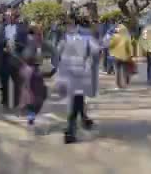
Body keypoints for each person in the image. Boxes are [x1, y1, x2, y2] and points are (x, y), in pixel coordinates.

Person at [56, 16, 100, 144]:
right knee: (76, 99)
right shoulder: (85, 36)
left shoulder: (64, 37)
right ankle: (71, 130)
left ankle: (79, 123)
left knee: (75, 99)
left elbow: (57, 52)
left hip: (66, 71)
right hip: (80, 71)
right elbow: (96, 50)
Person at [109, 23, 134, 89]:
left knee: (117, 71)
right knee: (125, 70)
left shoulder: (114, 36)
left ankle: (118, 85)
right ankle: (125, 84)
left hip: (115, 56)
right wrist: (131, 55)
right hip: (124, 56)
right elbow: (130, 47)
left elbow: (111, 46)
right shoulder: (127, 37)